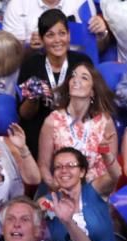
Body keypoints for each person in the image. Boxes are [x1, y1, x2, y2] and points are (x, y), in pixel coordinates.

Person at [17, 10, 94, 159]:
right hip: (38, 135)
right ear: (41, 38)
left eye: (62, 33)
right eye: (50, 35)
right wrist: (33, 98)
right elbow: (24, 114)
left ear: (69, 35)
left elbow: (93, 105)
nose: (57, 40)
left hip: (75, 134)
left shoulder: (82, 63)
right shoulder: (31, 65)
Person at [38, 62, 121, 196]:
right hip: (63, 191)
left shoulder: (105, 121)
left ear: (93, 90)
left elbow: (113, 171)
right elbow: (43, 167)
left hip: (98, 192)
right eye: (73, 76)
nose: (76, 80)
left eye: (84, 77)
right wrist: (58, 189)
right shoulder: (52, 121)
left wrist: (105, 150)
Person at [41, 147, 117, 241]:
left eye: (70, 165)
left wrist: (105, 151)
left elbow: (115, 175)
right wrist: (45, 209)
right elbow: (33, 211)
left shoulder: (95, 190)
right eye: (58, 167)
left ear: (82, 172)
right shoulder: (49, 201)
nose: (64, 170)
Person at [3, 0, 110, 51]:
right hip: (35, 69)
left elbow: (95, 49)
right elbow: (10, 56)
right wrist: (31, 48)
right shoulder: (18, 4)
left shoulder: (82, 2)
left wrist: (102, 34)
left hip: (75, 67)